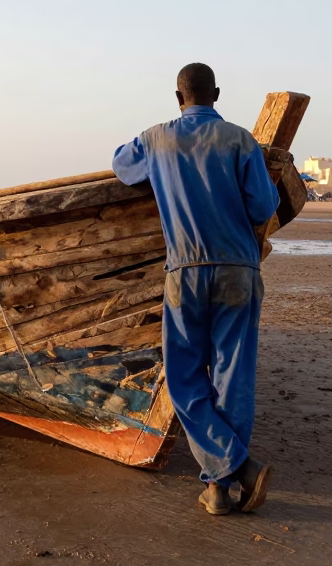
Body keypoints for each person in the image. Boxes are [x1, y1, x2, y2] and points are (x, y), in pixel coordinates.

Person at [112, 63, 280, 516]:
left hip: (185, 271)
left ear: (177, 96)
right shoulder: (241, 140)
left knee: (185, 376)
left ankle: (228, 474)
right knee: (233, 374)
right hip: (238, 270)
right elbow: (264, 205)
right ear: (217, 94)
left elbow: (121, 166)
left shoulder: (155, 139)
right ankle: (225, 482)